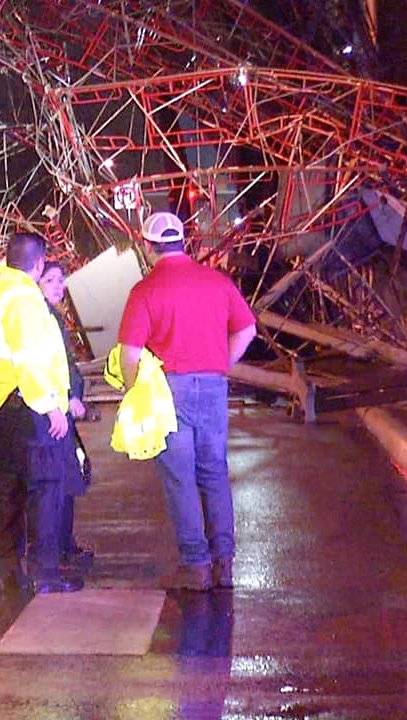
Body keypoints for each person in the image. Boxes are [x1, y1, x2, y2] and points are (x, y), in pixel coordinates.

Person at [117, 212, 256, 591]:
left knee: (180, 476)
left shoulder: (145, 290)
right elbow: (247, 329)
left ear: (148, 247)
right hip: (212, 387)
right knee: (213, 471)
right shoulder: (217, 282)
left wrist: (135, 392)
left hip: (167, 390)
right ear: (184, 241)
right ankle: (224, 563)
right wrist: (219, 363)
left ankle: (196, 565)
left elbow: (129, 354)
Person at [0, 233, 83, 594]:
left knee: (6, 492)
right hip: (25, 408)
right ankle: (45, 573)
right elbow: (30, 358)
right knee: (45, 490)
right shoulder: (24, 298)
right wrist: (51, 406)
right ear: (38, 263)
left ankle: (7, 571)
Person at [38, 260, 94, 567]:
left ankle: (64, 544)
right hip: (52, 413)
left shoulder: (54, 318)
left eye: (61, 280)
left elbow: (66, 365)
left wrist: (74, 393)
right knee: (57, 483)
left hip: (63, 409)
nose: (58, 285)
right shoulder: (40, 319)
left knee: (68, 479)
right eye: (50, 280)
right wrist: (64, 400)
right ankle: (54, 551)